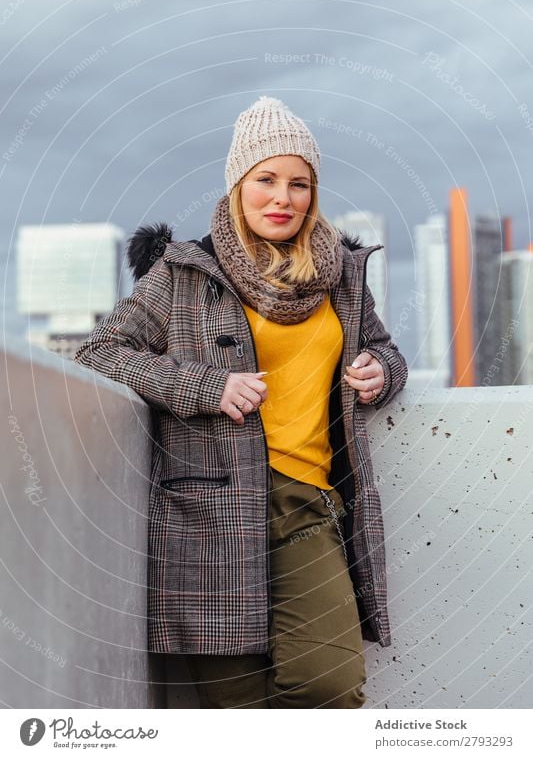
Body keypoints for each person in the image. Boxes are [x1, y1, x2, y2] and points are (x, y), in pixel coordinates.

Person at [74, 95, 408, 708]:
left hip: (308, 504)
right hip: (210, 518)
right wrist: (204, 386)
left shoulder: (341, 276)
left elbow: (387, 352)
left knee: (331, 686)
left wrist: (377, 372)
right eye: (266, 180)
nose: (283, 197)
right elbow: (99, 352)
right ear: (237, 184)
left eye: (299, 183)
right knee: (238, 710)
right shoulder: (182, 274)